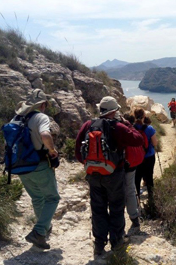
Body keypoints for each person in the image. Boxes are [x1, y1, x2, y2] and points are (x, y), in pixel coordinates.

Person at [75, 97, 144, 259]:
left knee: (98, 209)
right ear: (114, 111)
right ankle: (117, 242)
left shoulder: (88, 125)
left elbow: (78, 151)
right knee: (116, 207)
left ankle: (99, 245)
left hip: (93, 175)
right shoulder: (118, 127)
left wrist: (91, 164)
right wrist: (127, 123)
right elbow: (138, 139)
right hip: (114, 174)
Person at [14, 88, 60, 250]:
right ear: (42, 104)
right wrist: (52, 151)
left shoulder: (17, 118)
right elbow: (45, 135)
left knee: (37, 198)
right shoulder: (41, 117)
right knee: (53, 198)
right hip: (39, 165)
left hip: (20, 167)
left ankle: (44, 227)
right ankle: (39, 232)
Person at [121, 113, 142, 233]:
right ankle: (134, 219)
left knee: (117, 192)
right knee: (130, 190)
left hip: (114, 166)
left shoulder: (116, 128)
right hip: (131, 164)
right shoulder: (130, 130)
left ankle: (118, 224)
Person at [133, 108, 158, 200]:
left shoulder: (131, 128)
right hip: (149, 156)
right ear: (144, 116)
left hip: (136, 158)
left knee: (137, 177)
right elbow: (155, 143)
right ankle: (151, 198)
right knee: (149, 176)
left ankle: (137, 198)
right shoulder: (149, 128)